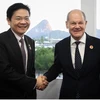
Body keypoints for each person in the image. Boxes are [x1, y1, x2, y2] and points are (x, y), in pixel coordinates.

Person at [40, 9, 100, 99]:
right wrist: (45, 78)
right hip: (68, 95)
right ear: (67, 24)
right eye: (73, 23)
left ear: (85, 23)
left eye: (80, 23)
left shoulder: (97, 44)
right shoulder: (60, 46)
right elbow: (56, 68)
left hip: (93, 96)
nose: (77, 26)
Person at [0, 3, 47, 99]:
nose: (23, 22)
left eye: (26, 18)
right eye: (18, 18)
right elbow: (5, 71)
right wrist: (34, 82)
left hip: (28, 95)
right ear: (8, 20)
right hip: (7, 95)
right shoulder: (2, 40)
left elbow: (30, 71)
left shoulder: (30, 41)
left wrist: (36, 85)